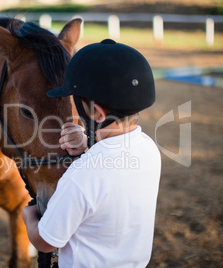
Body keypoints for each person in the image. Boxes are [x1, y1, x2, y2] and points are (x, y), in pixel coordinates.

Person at [22, 39, 161, 267]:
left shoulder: (80, 176)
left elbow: (46, 242)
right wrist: (87, 141)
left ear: (97, 113)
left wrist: (28, 217)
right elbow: (113, 164)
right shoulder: (148, 148)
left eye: (76, 101)